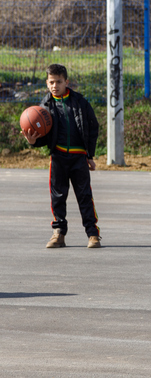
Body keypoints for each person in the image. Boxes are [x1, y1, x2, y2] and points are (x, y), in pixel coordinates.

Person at [21, 64, 101, 249]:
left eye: (58, 82)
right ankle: (59, 233)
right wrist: (33, 141)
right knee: (57, 197)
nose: (55, 86)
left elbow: (93, 127)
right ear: (46, 83)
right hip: (58, 158)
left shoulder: (80, 102)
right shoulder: (43, 108)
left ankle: (93, 234)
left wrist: (90, 155)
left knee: (85, 196)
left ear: (66, 82)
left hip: (79, 157)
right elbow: (43, 136)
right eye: (51, 82)